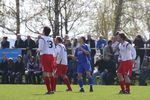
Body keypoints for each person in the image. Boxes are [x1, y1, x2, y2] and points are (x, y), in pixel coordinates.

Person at [37, 26, 56, 94]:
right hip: (51, 56)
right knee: (51, 72)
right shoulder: (51, 39)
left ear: (44, 31)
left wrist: (37, 50)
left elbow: (41, 48)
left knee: (45, 72)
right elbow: (53, 48)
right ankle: (53, 89)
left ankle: (49, 90)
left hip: (45, 56)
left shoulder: (42, 38)